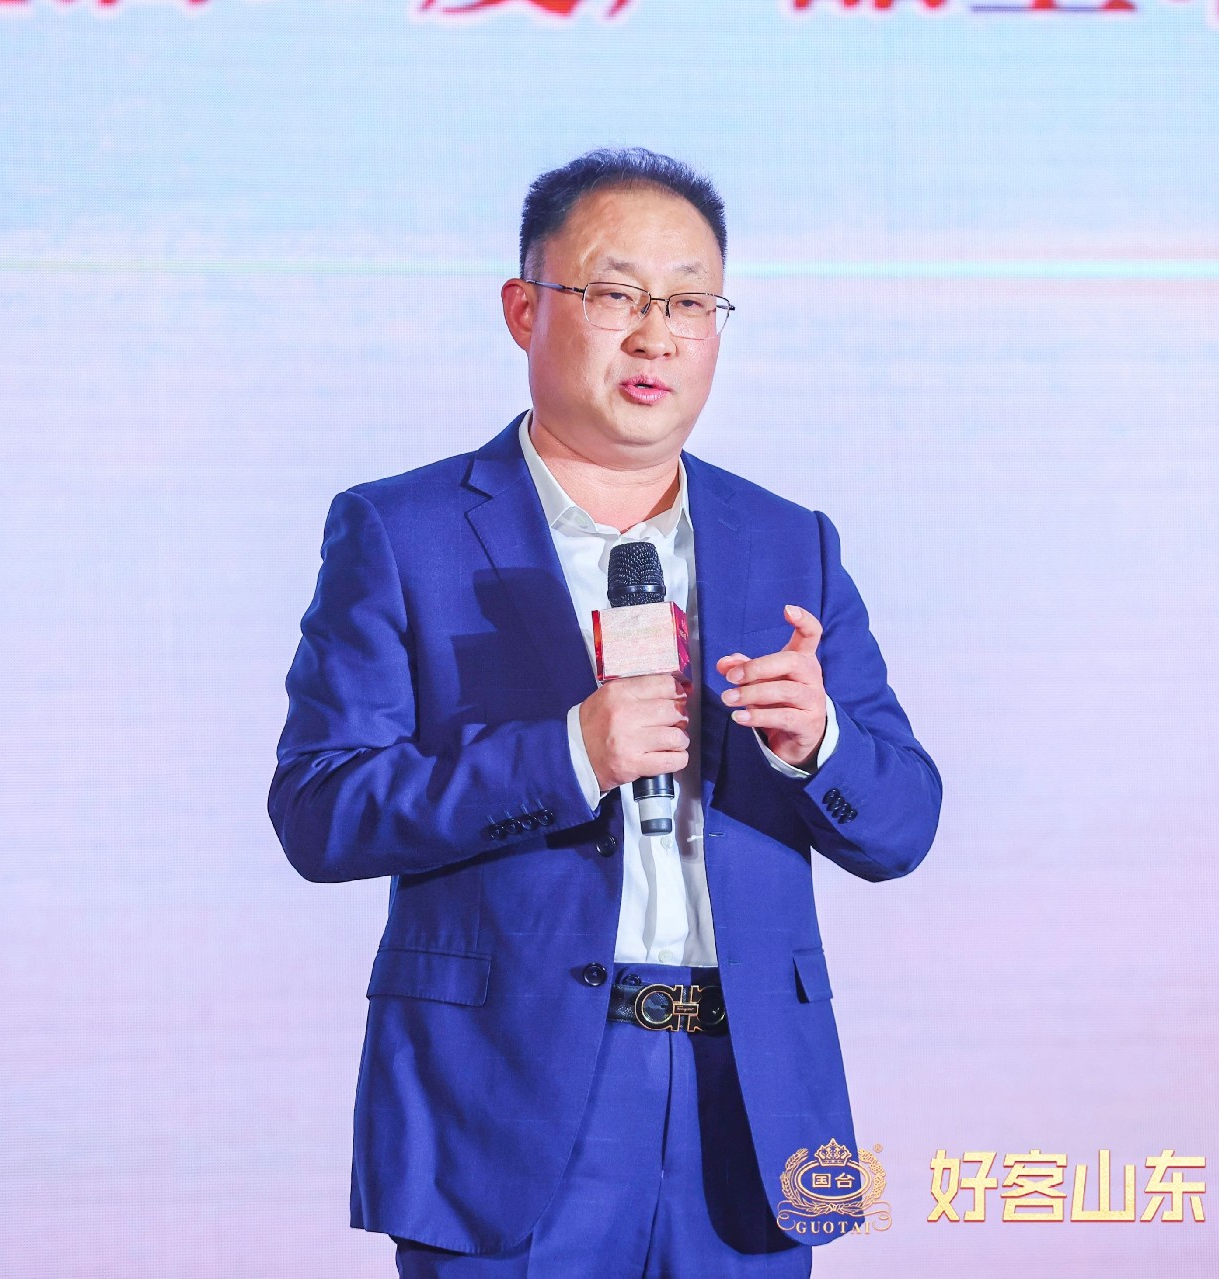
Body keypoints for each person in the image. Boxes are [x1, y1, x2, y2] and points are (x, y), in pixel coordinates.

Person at [269, 147, 941, 1278]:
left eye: (690, 302)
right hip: (503, 1104)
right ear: (524, 309)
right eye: (617, 295)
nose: (656, 336)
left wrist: (818, 743)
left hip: (750, 1104)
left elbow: (905, 822)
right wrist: (566, 758)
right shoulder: (402, 530)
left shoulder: (791, 541)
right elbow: (320, 809)